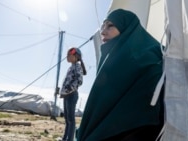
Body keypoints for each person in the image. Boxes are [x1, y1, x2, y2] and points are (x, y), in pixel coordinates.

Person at [76, 9, 164, 141]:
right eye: (103, 26)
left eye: (110, 25)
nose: (103, 31)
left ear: (127, 29)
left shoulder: (148, 60)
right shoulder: (112, 59)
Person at [59, 47, 87, 141]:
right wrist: (62, 91)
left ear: (76, 56)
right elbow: (68, 81)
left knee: (71, 120)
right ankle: (65, 138)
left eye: (69, 55)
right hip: (66, 95)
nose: (67, 56)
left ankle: (69, 139)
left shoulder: (77, 66)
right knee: (67, 120)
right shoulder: (70, 67)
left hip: (72, 95)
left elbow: (79, 81)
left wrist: (68, 89)